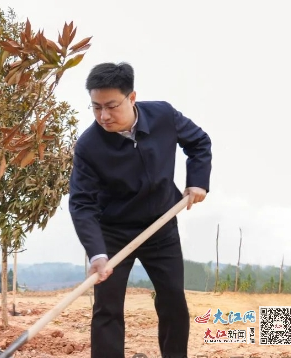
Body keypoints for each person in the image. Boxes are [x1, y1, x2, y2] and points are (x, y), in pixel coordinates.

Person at [69, 62, 212, 358]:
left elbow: (199, 143)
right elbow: (82, 203)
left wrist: (197, 182)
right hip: (114, 233)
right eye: (95, 107)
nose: (103, 116)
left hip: (162, 224)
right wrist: (97, 254)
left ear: (132, 97)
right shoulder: (88, 145)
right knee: (107, 308)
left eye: (111, 106)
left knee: (173, 300)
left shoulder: (163, 115)